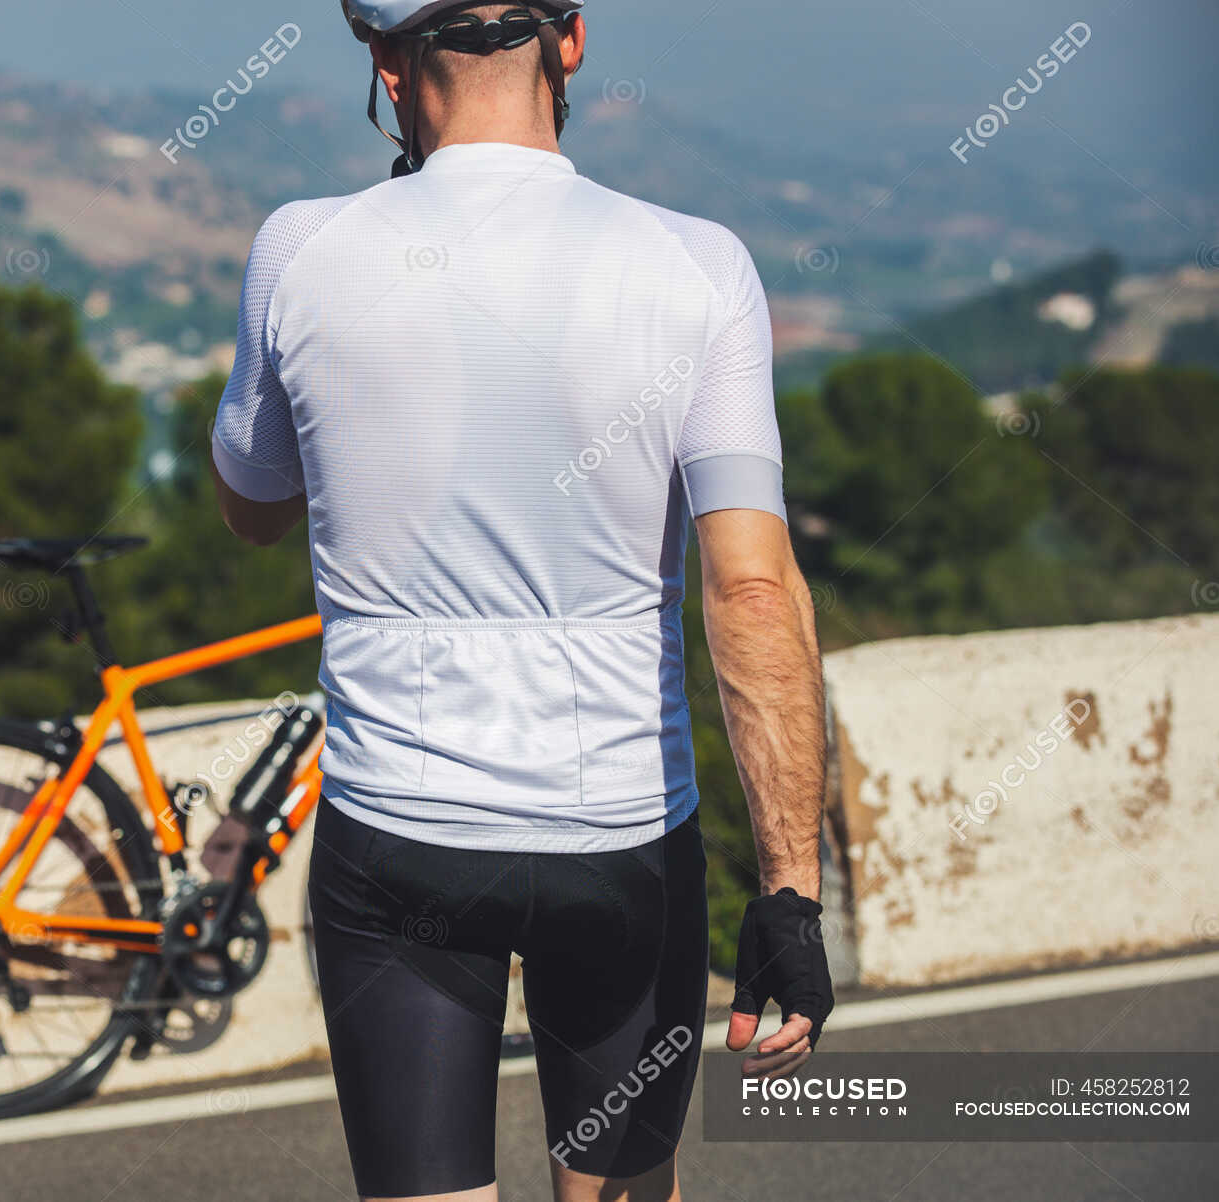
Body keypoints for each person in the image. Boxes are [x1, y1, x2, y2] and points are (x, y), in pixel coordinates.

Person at [209, 3, 833, 1199]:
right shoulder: (701, 263)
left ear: (388, 66)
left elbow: (252, 504)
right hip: (622, 838)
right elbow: (752, 583)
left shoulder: (300, 247)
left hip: (399, 833)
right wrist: (789, 894)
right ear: (572, 41)